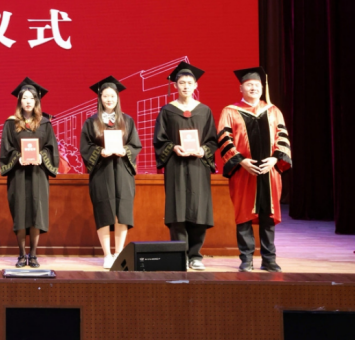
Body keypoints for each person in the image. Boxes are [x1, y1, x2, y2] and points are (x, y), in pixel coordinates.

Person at [217, 67, 292, 272]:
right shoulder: (230, 111)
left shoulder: (273, 110)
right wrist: (241, 161)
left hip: (269, 171)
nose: (253, 88)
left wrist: (275, 160)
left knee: (268, 215)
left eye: (257, 85)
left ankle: (269, 259)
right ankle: (246, 259)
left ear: (262, 88)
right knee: (244, 215)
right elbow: (224, 138)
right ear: (241, 88)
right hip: (244, 171)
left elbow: (282, 138)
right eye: (249, 85)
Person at [153, 61, 219, 271]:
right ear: (175, 85)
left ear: (196, 85)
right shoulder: (167, 110)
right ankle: (179, 253)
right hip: (177, 165)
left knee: (198, 209)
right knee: (178, 209)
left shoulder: (204, 111)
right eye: (182, 83)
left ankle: (196, 255)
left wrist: (203, 150)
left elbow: (212, 140)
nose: (186, 86)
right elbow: (159, 139)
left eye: (190, 83)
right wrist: (173, 148)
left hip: (198, 166)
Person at [79, 76, 142, 269]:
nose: (109, 99)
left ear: (117, 98)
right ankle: (107, 254)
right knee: (104, 211)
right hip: (102, 171)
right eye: (105, 96)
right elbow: (85, 147)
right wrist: (100, 152)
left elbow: (135, 145)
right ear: (100, 98)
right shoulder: (92, 122)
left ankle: (119, 253)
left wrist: (125, 151)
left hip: (123, 170)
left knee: (122, 212)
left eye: (112, 96)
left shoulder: (127, 121)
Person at [0, 77, 59, 268]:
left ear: (36, 101)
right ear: (19, 101)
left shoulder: (45, 124)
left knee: (36, 213)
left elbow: (51, 148)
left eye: (31, 98)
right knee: (20, 213)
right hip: (18, 174)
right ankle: (21, 254)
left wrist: (42, 156)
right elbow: (6, 149)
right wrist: (18, 157)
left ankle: (33, 255)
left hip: (38, 174)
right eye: (24, 98)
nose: (27, 101)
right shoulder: (10, 124)